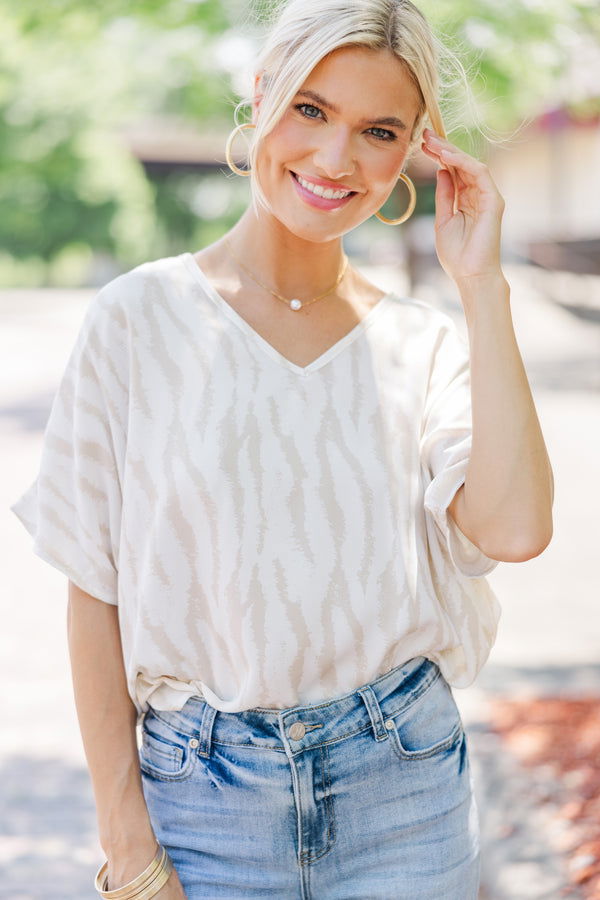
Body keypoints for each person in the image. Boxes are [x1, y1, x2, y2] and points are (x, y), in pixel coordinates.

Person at [10, 0, 555, 897]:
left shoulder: (424, 344)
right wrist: (125, 844)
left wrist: (481, 286)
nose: (335, 160)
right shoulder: (137, 322)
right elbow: (92, 593)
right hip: (202, 807)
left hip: (404, 792)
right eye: (311, 108)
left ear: (415, 148)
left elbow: (517, 528)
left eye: (378, 130)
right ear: (261, 97)